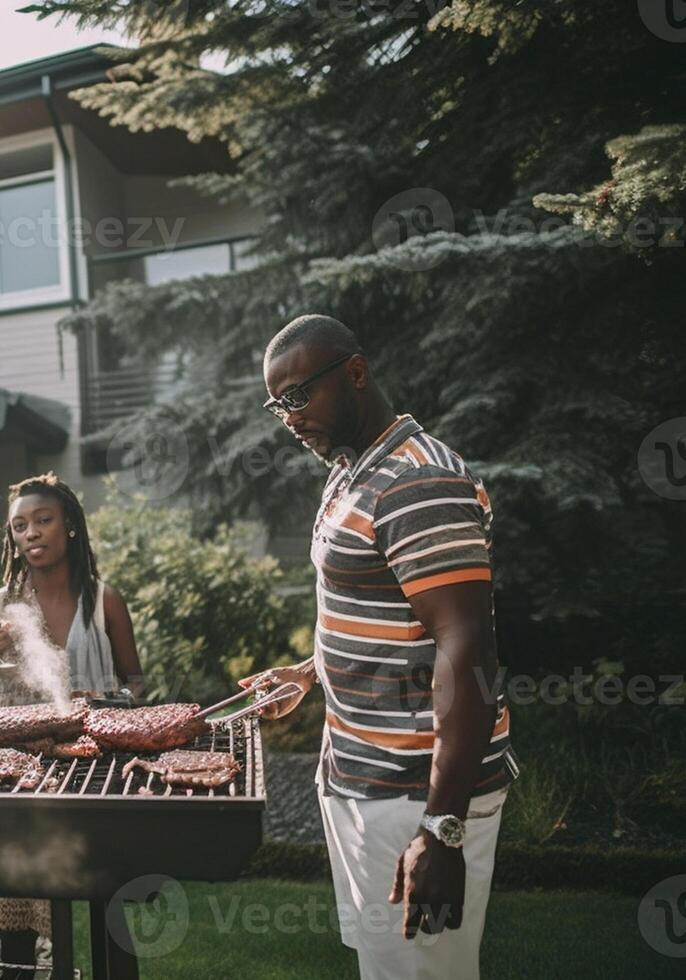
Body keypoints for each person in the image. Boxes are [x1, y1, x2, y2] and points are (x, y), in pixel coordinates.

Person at [241, 314, 519, 980]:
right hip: (360, 779)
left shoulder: (416, 483)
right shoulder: (351, 472)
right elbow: (395, 615)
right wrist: (314, 672)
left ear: (356, 373)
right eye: (276, 404)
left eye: (298, 396)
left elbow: (467, 648)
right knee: (384, 968)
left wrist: (442, 828)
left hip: (414, 793)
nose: (288, 418)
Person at [0, 472, 143, 965]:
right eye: (20, 526)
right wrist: (11, 652)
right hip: (20, 779)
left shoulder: (105, 601)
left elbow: (135, 681)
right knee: (18, 902)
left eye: (43, 520)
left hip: (93, 773)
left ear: (69, 526)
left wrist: (106, 699)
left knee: (103, 904)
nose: (31, 533)